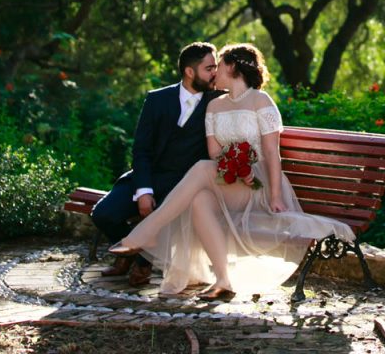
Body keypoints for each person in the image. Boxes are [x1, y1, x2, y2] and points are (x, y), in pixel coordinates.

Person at [109, 43, 355, 298]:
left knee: (203, 169)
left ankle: (147, 232)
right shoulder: (215, 106)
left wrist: (274, 196)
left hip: (259, 184)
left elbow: (271, 153)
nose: (214, 72)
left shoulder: (261, 100)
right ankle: (223, 281)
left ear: (232, 67)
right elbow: (215, 152)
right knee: (200, 200)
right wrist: (235, 167)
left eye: (219, 66)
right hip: (230, 179)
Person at [92, 41, 220, 287]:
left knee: (162, 218)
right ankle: (131, 255)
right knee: (103, 214)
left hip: (184, 185)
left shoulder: (217, 103)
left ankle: (142, 263)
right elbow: (141, 149)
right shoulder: (157, 99)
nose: (214, 73)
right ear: (189, 71)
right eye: (209, 68)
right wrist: (144, 190)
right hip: (147, 175)